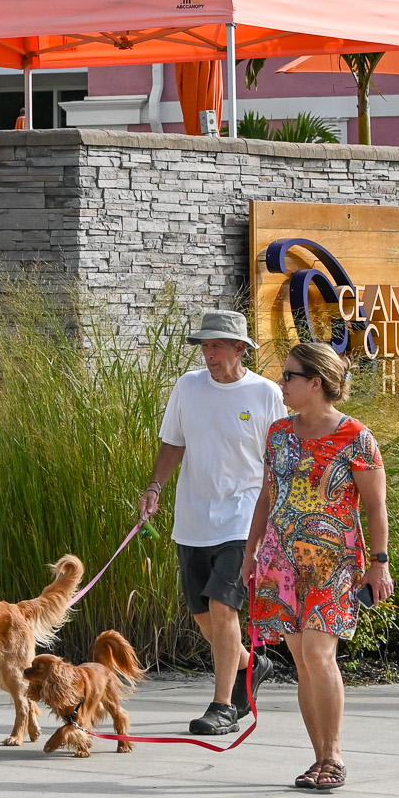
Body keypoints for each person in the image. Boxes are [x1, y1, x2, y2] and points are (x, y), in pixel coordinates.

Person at [246, 341, 393, 792]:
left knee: (317, 653)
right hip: (281, 562)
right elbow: (268, 497)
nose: (281, 383)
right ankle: (318, 760)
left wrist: (379, 564)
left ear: (316, 383)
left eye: (289, 376)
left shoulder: (355, 437)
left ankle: (333, 757)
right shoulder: (278, 433)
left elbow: (375, 506)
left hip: (333, 564)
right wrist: (251, 551)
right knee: (302, 662)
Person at [138, 308, 286, 737]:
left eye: (217, 345)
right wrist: (155, 488)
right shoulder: (188, 388)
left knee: (224, 609)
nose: (209, 353)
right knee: (204, 617)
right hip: (193, 518)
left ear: (241, 348)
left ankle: (222, 705)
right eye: (204, 345)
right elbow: (173, 443)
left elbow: (279, 458)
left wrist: (275, 518)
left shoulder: (265, 394)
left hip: (244, 518)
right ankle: (249, 663)